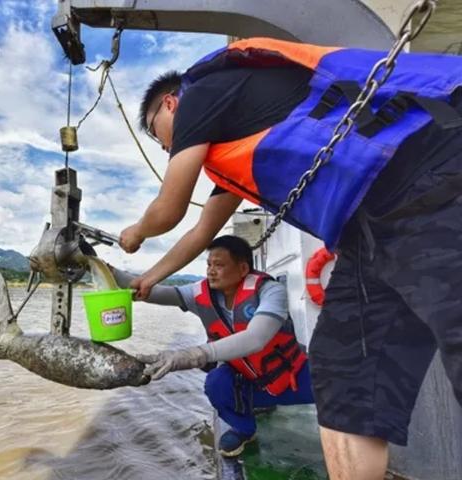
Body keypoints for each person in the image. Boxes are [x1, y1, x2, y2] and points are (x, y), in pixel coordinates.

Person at [119, 37, 462, 479]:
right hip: (364, 227)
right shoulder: (231, 147)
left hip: (428, 173)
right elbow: (200, 233)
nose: (163, 146)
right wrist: (147, 278)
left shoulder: (201, 93)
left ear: (169, 104)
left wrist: (137, 232)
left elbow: (170, 210)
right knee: (343, 379)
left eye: (153, 131)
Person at [114, 235, 313, 457]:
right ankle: (244, 429)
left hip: (293, 376)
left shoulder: (270, 291)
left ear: (243, 268)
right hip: (249, 382)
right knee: (216, 383)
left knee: (344, 391)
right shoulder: (199, 293)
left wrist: (195, 354)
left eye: (219, 265)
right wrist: (102, 267)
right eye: (208, 264)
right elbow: (150, 291)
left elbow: (257, 338)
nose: (210, 271)